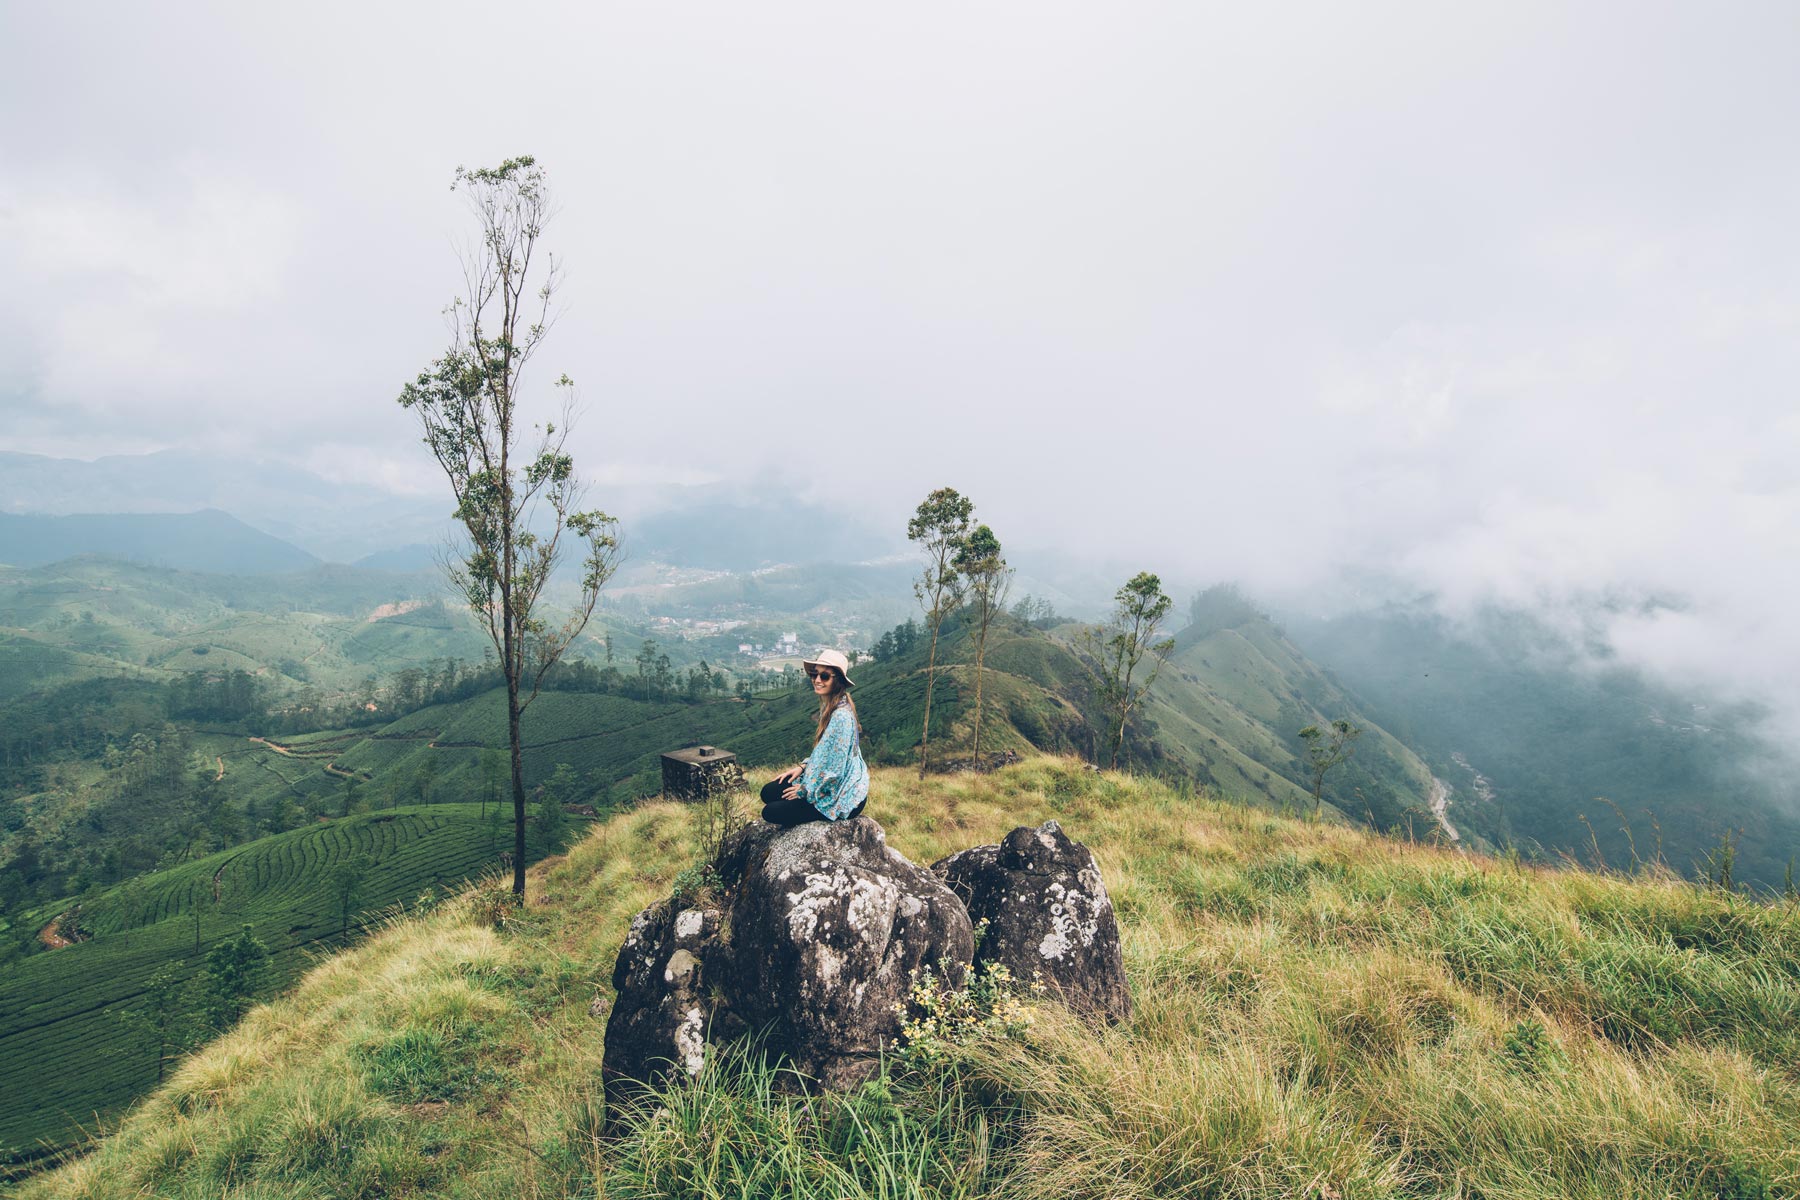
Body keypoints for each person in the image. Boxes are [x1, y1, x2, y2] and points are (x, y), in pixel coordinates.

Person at [761, 649, 869, 826]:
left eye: (825, 676)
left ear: (838, 681)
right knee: (768, 792)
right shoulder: (831, 706)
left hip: (839, 792)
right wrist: (803, 767)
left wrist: (805, 791)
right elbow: (825, 754)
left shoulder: (841, 717)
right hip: (823, 779)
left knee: (770, 811)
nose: (817, 680)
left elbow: (836, 769)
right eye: (814, 674)